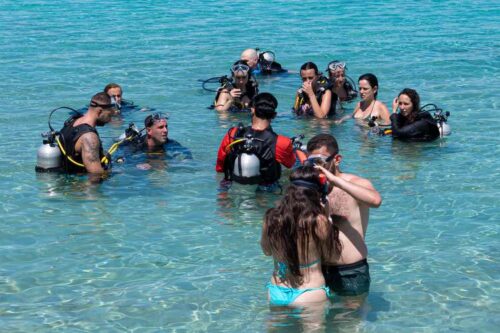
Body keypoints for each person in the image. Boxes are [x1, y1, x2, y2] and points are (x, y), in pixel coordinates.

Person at [306, 134, 382, 297]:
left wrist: (335, 180)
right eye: (311, 162)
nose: (316, 168)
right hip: (316, 271)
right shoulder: (309, 188)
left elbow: (375, 201)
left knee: (351, 321)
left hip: (350, 271)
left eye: (320, 162)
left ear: (337, 159)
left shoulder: (356, 183)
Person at [261, 165, 341, 307]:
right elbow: (332, 256)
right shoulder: (318, 221)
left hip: (278, 288)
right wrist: (327, 216)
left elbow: (267, 251)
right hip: (309, 292)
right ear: (316, 194)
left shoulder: (271, 218)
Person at [215, 92, 295, 190]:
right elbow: (290, 164)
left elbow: (220, 166)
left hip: (234, 183)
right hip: (265, 190)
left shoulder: (233, 133)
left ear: (253, 110)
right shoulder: (282, 142)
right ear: (274, 115)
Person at [58, 92, 115, 176]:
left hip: (65, 179)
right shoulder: (89, 137)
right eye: (109, 114)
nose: (110, 119)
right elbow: (96, 175)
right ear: (99, 111)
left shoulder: (72, 121)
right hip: (78, 186)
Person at [126, 113, 192, 157]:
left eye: (166, 126)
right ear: (149, 130)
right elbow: (123, 158)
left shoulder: (169, 142)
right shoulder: (136, 145)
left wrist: (186, 159)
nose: (165, 130)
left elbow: (186, 151)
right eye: (161, 127)